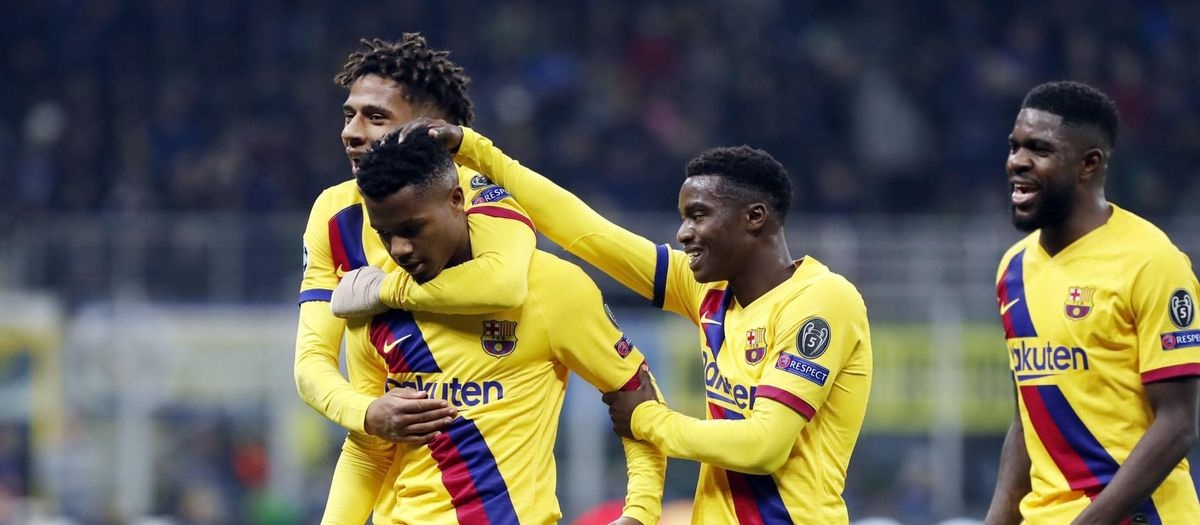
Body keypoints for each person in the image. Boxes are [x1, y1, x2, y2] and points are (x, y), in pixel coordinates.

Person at [355, 119, 874, 523]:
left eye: (698, 215)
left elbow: (764, 447)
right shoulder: (707, 290)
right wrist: (476, 150)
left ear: (754, 217)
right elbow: (585, 232)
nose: (683, 233)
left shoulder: (822, 300)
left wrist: (647, 419)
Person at [327, 129, 665, 524]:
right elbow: (368, 448)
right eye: (384, 233)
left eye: (413, 229)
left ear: (457, 200)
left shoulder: (549, 287)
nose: (399, 248)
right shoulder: (373, 300)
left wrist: (640, 512)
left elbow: (635, 392)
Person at [293, 35, 538, 521]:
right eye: (349, 115)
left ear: (430, 131)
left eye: (376, 117)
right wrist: (368, 412)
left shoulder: (479, 196)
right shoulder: (333, 213)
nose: (351, 132)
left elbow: (504, 283)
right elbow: (311, 363)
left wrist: (382, 291)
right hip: (383, 481)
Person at [984, 81, 1200, 524]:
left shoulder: (1151, 261)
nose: (1017, 161)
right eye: (1014, 146)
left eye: (1039, 149)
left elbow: (1177, 424)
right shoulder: (1013, 269)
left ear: (1089, 164)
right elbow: (1027, 420)